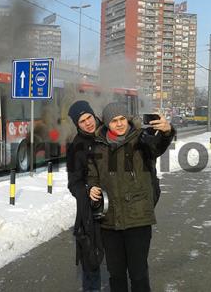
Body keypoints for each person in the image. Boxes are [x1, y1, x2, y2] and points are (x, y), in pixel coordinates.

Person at [87, 103, 175, 292]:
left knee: (138, 274)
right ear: (107, 124)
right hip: (109, 221)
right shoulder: (97, 147)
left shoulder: (142, 141)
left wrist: (167, 132)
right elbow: (92, 176)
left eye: (122, 119)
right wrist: (92, 187)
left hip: (138, 219)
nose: (119, 124)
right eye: (114, 121)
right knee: (116, 275)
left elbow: (159, 146)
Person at [66, 100, 103, 292]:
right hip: (90, 213)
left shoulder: (108, 133)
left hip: (117, 208)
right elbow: (73, 183)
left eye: (89, 117)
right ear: (77, 125)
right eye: (82, 121)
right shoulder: (76, 147)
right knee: (91, 262)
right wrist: (88, 189)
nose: (88, 122)